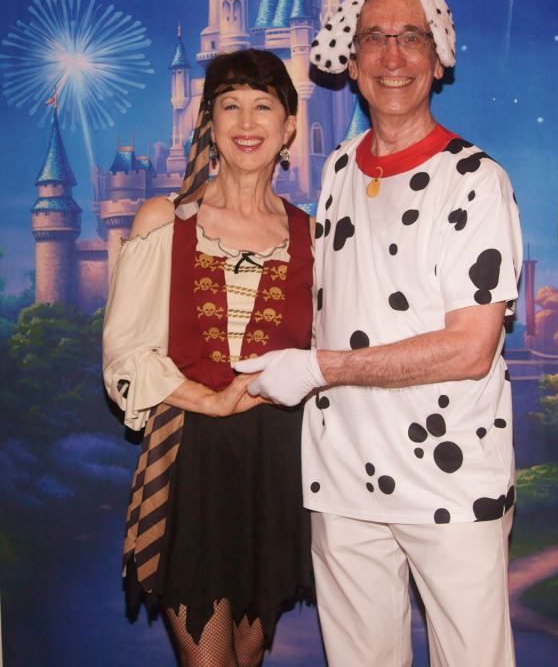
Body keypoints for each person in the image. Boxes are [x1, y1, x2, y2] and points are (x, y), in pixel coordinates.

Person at [236, 0, 523, 667]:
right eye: (375, 39)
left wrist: (319, 369)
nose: (392, 57)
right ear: (351, 59)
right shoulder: (337, 170)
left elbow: (470, 349)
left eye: (410, 38)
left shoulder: (476, 181)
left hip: (450, 484)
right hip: (342, 482)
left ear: (438, 57)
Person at [103, 48, 314, 667]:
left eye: (263, 107)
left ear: (289, 127)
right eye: (230, 106)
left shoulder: (314, 236)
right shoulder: (165, 219)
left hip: (278, 466)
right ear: (209, 124)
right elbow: (125, 352)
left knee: (247, 660)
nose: (247, 123)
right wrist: (212, 400)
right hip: (188, 459)